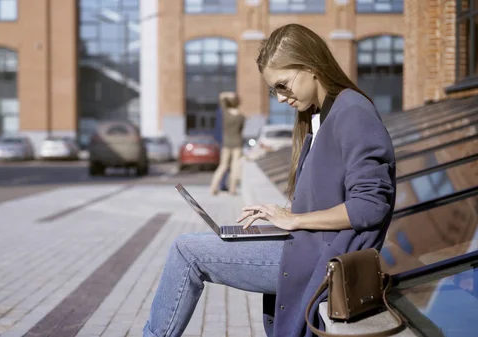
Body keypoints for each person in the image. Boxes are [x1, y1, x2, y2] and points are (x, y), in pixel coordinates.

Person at [143, 23, 396, 337]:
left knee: (186, 251)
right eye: (273, 90)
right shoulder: (321, 115)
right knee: (191, 247)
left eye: (283, 85)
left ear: (310, 67)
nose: (279, 98)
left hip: (319, 257)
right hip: (306, 244)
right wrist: (279, 216)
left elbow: (371, 206)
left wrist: (294, 219)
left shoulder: (353, 113)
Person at [210, 91, 246, 195]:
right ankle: (233, 189)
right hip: (237, 142)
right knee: (235, 166)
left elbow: (221, 97)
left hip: (226, 143)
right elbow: (241, 130)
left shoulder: (225, 113)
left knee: (223, 166)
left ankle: (213, 188)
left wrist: (229, 94)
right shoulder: (241, 116)